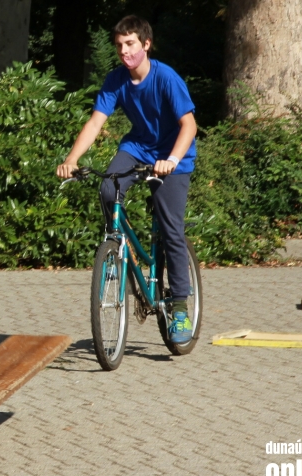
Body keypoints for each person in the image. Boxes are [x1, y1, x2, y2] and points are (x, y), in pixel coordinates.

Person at [56, 15, 198, 344]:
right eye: (119, 45)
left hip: (173, 156)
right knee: (109, 187)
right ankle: (116, 248)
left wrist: (172, 160)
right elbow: (95, 123)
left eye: (130, 43)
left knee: (170, 228)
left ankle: (178, 307)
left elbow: (188, 125)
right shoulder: (116, 80)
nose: (124, 50)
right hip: (137, 148)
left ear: (146, 45)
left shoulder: (166, 78)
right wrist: (71, 159)